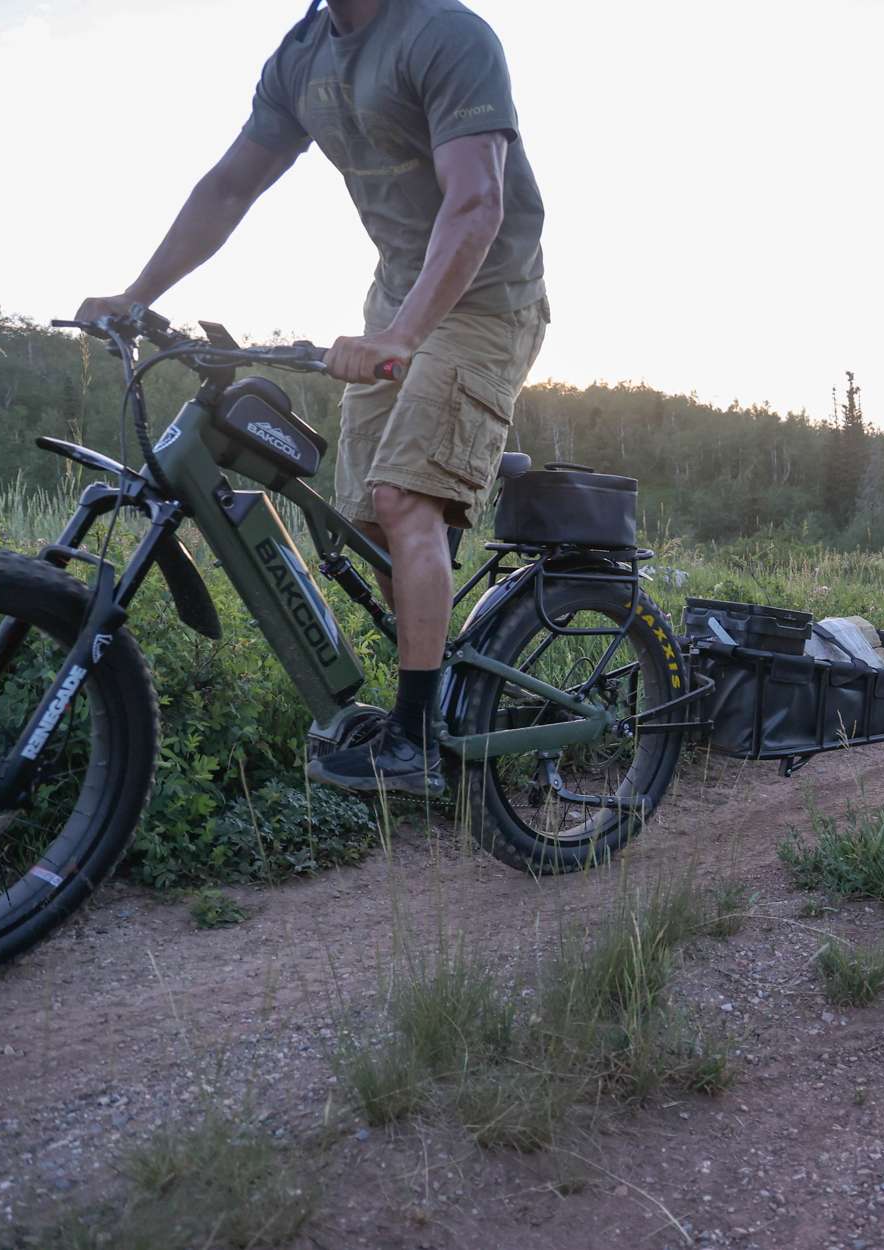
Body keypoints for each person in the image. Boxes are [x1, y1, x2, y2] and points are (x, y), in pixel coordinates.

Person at [76, 0, 547, 798]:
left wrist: (402, 335)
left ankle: (418, 740)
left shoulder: (446, 35)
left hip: (486, 302)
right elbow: (228, 187)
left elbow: (478, 202)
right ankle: (436, 692)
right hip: (397, 298)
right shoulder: (302, 58)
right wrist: (136, 293)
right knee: (361, 519)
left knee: (403, 499)